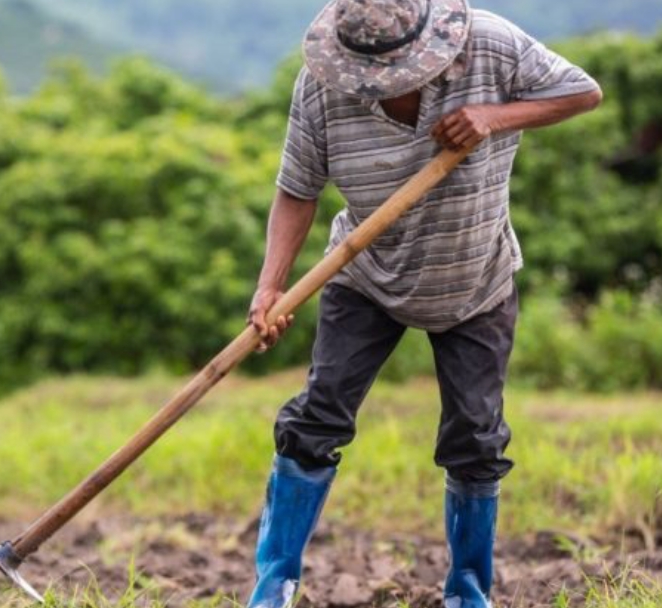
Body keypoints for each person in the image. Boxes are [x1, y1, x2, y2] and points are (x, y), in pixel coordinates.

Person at [245, 0, 602, 606]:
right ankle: (273, 584)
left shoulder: (489, 44)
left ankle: (467, 592)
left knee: (475, 438)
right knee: (315, 420)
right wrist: (270, 287)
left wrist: (495, 116)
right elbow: (297, 189)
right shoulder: (322, 87)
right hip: (365, 277)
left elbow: (582, 93)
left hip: (474, 280)